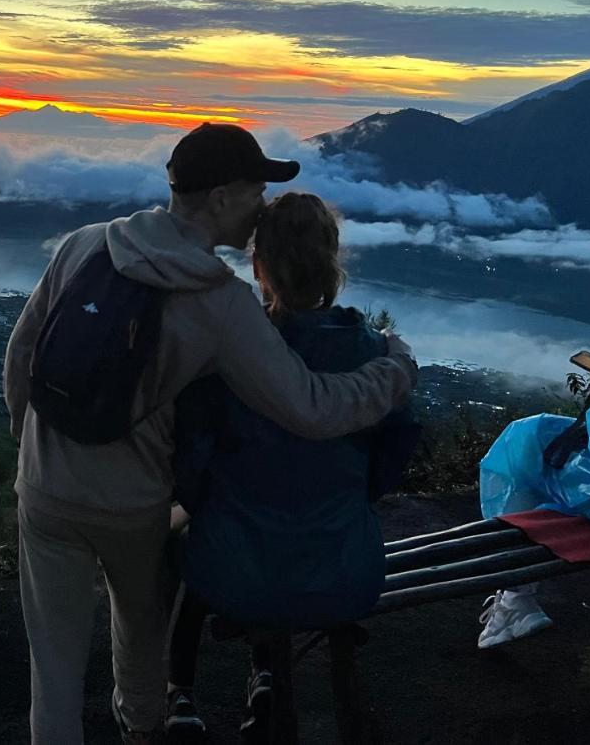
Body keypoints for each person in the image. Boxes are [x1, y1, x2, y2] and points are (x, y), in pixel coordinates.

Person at [4, 124, 419, 745]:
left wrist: (29, 452)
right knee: (140, 643)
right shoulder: (220, 303)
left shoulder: (86, 245)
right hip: (132, 504)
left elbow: (22, 356)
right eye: (255, 191)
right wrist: (394, 371)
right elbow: (310, 407)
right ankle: (143, 731)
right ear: (222, 198)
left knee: (54, 670)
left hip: (45, 490)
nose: (260, 208)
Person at [162, 193, 420, 742]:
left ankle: (179, 692)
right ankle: (263, 678)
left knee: (195, 539)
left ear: (259, 266)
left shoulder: (230, 354)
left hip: (239, 576)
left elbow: (192, 469)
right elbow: (391, 457)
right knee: (271, 527)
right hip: (344, 572)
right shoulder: (374, 355)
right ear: (333, 263)